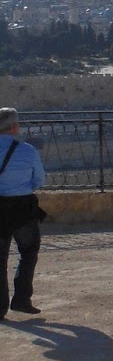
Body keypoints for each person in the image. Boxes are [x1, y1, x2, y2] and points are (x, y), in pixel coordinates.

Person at [0, 106, 47, 319]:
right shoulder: (27, 151)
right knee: (28, 252)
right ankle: (21, 299)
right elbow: (39, 180)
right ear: (14, 126)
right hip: (22, 209)